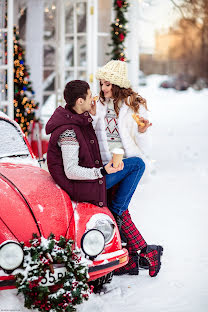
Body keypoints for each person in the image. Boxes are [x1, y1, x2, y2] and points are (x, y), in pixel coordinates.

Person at [46, 79, 162, 278]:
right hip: (82, 184)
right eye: (91, 95)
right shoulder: (68, 131)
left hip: (90, 179)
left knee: (120, 208)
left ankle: (132, 260)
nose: (95, 98)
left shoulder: (78, 118)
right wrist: (102, 171)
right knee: (137, 165)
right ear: (80, 100)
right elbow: (72, 171)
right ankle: (146, 252)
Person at [87, 59, 163, 276]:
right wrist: (91, 115)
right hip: (106, 166)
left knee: (116, 210)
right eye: (101, 84)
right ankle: (135, 258)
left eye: (108, 84)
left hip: (127, 166)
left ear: (118, 84)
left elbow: (145, 146)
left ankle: (137, 256)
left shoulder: (135, 105)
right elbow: (92, 135)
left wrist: (143, 131)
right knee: (118, 211)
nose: (103, 88)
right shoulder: (99, 104)